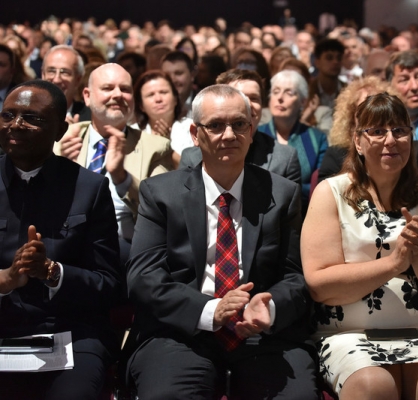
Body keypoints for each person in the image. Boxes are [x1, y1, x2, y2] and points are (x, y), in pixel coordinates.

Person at [126, 84, 318, 400]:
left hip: (261, 336)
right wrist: (210, 310)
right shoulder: (160, 193)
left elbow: (296, 277)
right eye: (215, 125)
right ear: (194, 133)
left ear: (252, 130)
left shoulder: (282, 193)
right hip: (182, 330)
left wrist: (269, 308)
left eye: (239, 124)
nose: (229, 135)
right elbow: (143, 278)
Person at [302, 93, 418, 399]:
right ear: (357, 141)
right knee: (373, 385)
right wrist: (394, 263)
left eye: (399, 130)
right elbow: (320, 285)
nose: (391, 140)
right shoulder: (331, 193)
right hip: (349, 335)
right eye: (378, 131)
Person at [0, 80, 120, 399]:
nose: (16, 124)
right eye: (8, 115)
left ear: (60, 130)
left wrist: (53, 272)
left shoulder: (89, 188)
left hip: (70, 332)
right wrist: (5, 279)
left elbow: (108, 283)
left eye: (32, 118)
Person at [56, 63, 172, 263]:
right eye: (108, 88)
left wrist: (122, 178)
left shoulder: (155, 148)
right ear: (87, 96)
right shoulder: (63, 141)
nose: (118, 95)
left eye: (125, 89)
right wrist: (62, 171)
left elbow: (163, 211)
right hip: (67, 247)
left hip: (124, 254)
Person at [179, 68, 301, 185]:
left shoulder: (285, 159)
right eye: (238, 96)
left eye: (254, 98)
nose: (247, 105)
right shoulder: (192, 158)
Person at [318, 76, 418, 182]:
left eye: (382, 107)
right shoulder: (336, 156)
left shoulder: (416, 151)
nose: (390, 141)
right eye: (365, 110)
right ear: (351, 122)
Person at [259, 70, 328, 211]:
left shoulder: (316, 138)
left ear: (302, 101)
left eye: (289, 93)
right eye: (275, 91)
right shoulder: (256, 135)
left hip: (304, 212)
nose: (280, 98)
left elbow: (320, 185)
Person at [132, 70, 194, 168]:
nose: (158, 99)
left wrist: (168, 150)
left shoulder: (192, 128)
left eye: (163, 92)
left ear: (175, 99)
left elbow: (194, 170)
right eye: (150, 95)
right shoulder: (132, 133)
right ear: (141, 106)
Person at [41, 45, 90, 123]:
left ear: (78, 80)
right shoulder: (28, 113)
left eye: (65, 72)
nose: (57, 80)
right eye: (51, 71)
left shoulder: (90, 118)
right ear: (43, 75)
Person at [161, 51, 197, 118]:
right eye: (167, 75)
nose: (173, 80)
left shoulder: (204, 102)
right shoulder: (158, 104)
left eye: (178, 73)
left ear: (192, 75)